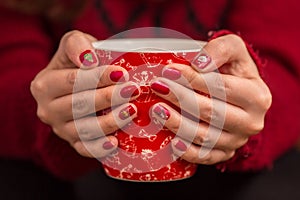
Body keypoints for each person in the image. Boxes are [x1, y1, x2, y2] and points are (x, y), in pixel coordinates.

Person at [0, 0, 299, 199]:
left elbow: (286, 68)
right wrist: (54, 115)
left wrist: (242, 110)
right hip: (72, 165)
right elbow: (10, 70)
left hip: (226, 171)